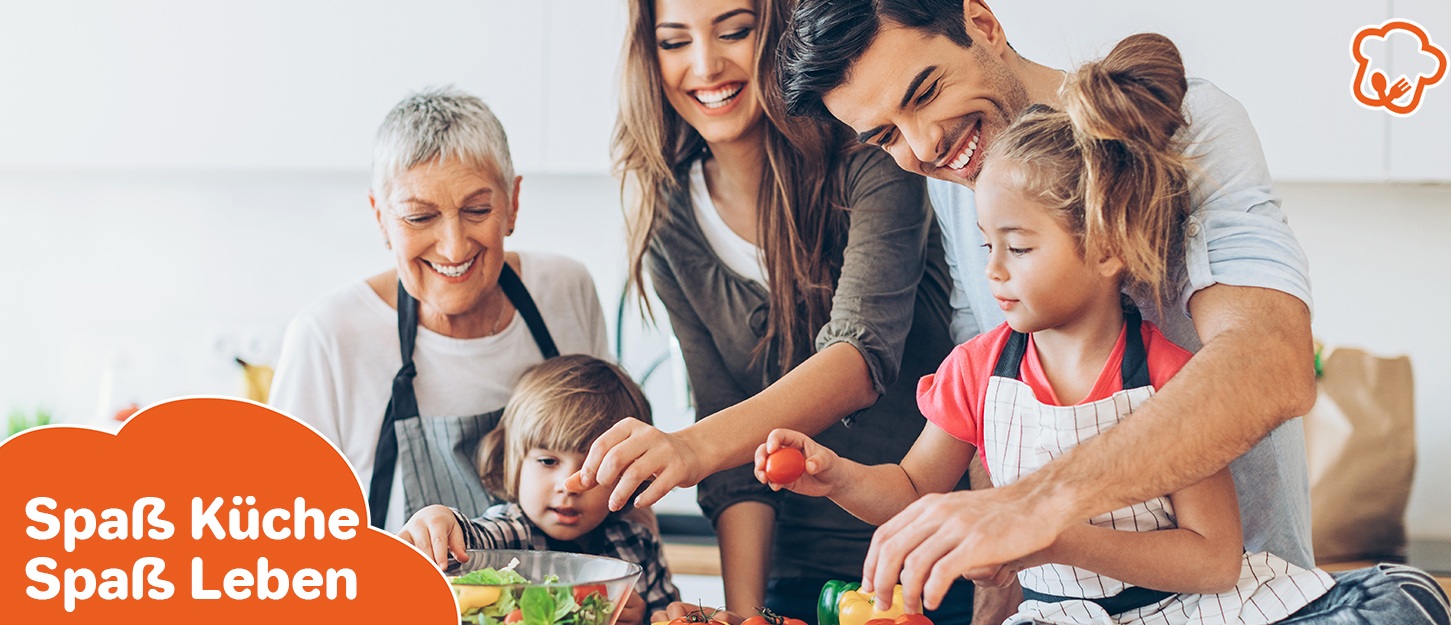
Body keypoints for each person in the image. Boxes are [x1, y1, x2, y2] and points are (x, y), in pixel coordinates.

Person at [760, 34, 1451, 625]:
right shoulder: (978, 351)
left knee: (1398, 598)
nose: (922, 146)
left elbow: (1216, 547)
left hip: (1213, 605)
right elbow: (920, 487)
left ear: (1104, 246)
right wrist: (840, 475)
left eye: (1020, 248)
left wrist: (1044, 523)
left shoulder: (1170, 375)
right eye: (884, 135)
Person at [565, 0, 969, 622]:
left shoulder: (872, 153)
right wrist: (746, 612)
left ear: (778, 33)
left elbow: (860, 358)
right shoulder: (670, 216)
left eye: (735, 31)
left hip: (931, 557)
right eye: (675, 42)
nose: (705, 65)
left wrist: (691, 447)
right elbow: (732, 464)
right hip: (795, 573)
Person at [270, 87, 611, 533]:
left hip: (567, 600)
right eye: (419, 217)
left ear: (512, 203)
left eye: (476, 209)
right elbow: (287, 540)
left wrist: (646, 589)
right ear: (381, 218)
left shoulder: (566, 291)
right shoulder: (328, 337)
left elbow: (620, 471)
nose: (453, 246)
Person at [398, 355, 679, 625]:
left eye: (594, 469)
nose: (568, 485)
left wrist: (644, 619)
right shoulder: (510, 532)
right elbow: (468, 542)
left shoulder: (638, 544)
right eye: (548, 461)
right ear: (513, 464)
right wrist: (439, 519)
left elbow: (669, 615)